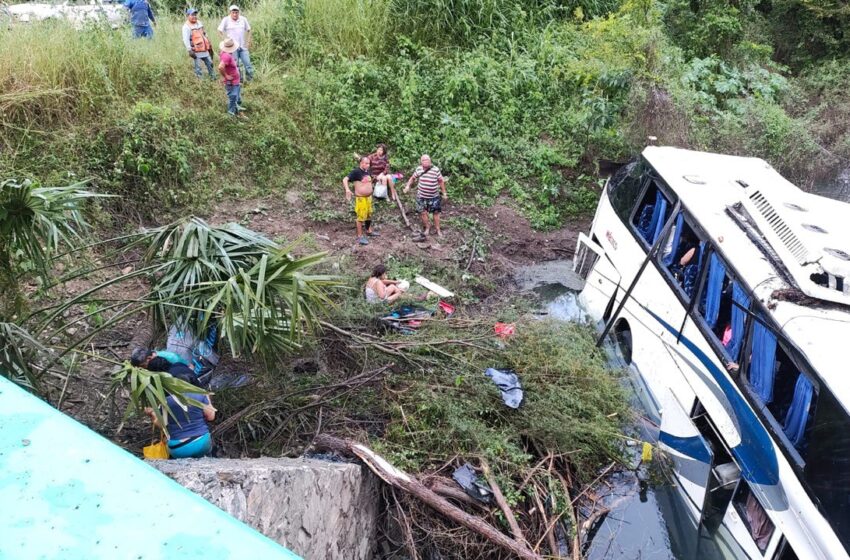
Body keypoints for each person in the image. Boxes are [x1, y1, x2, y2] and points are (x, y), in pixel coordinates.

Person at [145, 357, 216, 459]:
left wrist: (152, 414)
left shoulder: (165, 401)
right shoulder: (200, 396)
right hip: (201, 443)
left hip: (177, 448)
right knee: (207, 453)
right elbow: (211, 417)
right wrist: (207, 397)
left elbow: (162, 425)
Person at [404, 154, 447, 239]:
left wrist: (444, 192)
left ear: (430, 161)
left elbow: (441, 181)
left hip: (434, 196)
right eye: (423, 160)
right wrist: (407, 186)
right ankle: (427, 228)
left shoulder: (435, 170)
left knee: (436, 213)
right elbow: (412, 178)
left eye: (427, 159)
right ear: (421, 162)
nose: (425, 161)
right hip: (421, 196)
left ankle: (438, 229)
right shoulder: (419, 169)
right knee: (423, 213)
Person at [343, 156, 379, 245]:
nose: (367, 165)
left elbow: (368, 181)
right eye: (366, 163)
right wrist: (347, 189)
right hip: (361, 198)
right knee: (360, 217)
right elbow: (345, 179)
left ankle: (369, 231)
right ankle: (360, 236)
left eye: (368, 164)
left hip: (369, 198)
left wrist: (375, 179)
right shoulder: (356, 172)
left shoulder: (368, 171)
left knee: (369, 214)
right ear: (361, 163)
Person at [217, 5, 254, 82]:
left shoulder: (243, 19)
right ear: (230, 12)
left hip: (242, 47)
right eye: (233, 12)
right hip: (232, 48)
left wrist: (248, 41)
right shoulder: (226, 20)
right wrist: (225, 41)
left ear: (238, 13)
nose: (235, 14)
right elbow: (219, 31)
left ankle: (250, 81)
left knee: (248, 65)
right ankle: (239, 81)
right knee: (235, 65)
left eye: (236, 12)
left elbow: (249, 30)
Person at [182, 8, 215, 80]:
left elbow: (204, 33)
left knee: (210, 64)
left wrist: (209, 44)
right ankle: (201, 82)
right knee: (198, 68)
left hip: (204, 49)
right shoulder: (186, 27)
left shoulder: (199, 23)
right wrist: (189, 50)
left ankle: (213, 78)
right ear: (188, 16)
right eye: (192, 15)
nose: (194, 16)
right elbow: (185, 39)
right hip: (196, 51)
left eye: (195, 15)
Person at [218, 38, 245, 118]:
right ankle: (231, 114)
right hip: (232, 82)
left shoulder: (226, 54)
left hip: (235, 80)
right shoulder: (227, 56)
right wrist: (226, 76)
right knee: (233, 97)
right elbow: (220, 67)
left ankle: (237, 110)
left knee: (236, 97)